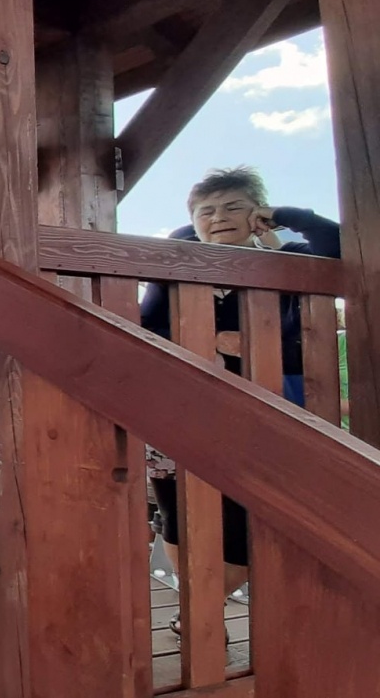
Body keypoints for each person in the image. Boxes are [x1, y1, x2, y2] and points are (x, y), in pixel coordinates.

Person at [140, 165, 341, 634]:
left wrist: (286, 216)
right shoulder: (176, 259)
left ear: (258, 214)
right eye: (206, 211)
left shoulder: (287, 254)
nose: (218, 217)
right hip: (183, 404)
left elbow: (343, 249)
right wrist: (206, 339)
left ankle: (199, 609)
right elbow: (150, 324)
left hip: (266, 406)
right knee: (177, 511)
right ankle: (197, 613)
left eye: (234, 207)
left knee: (251, 521)